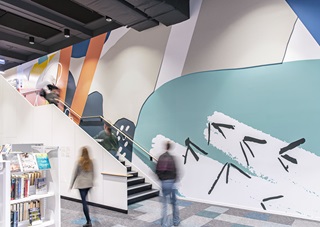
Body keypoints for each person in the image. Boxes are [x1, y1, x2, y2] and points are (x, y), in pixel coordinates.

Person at [156, 141, 180, 227]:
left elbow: (157, 170)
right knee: (174, 203)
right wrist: (174, 180)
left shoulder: (161, 157)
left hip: (164, 183)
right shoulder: (172, 158)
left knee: (164, 204)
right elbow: (176, 170)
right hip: (171, 182)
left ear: (165, 147)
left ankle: (164, 224)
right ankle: (176, 221)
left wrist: (161, 179)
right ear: (170, 147)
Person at [70, 146, 94, 227]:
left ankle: (88, 221)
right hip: (89, 184)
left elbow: (75, 174)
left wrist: (71, 184)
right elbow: (93, 173)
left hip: (81, 185)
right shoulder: (91, 161)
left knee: (84, 202)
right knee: (85, 201)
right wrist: (91, 182)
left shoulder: (79, 162)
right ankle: (88, 221)